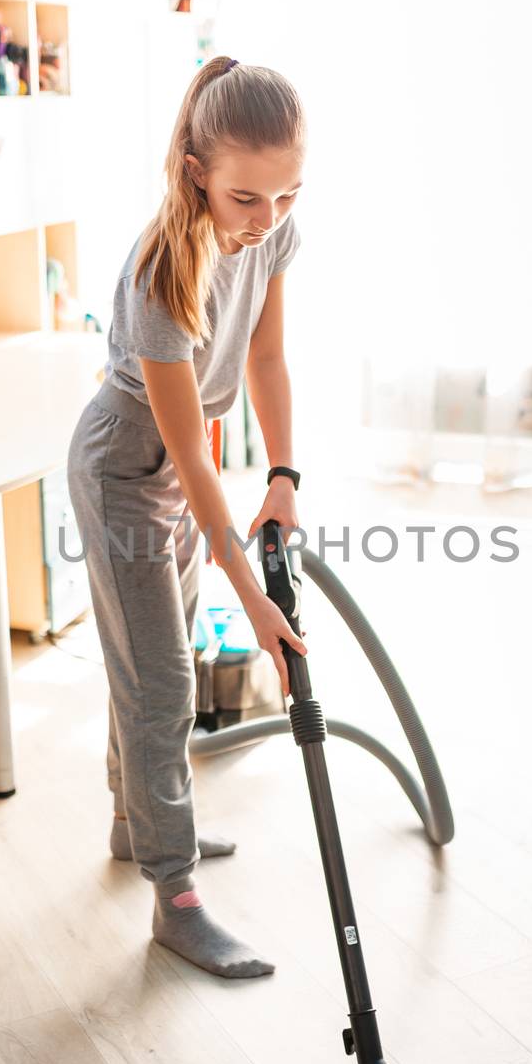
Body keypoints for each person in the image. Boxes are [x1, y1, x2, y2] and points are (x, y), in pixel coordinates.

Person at [67, 54, 308, 979]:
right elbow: (185, 460)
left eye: (287, 195)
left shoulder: (270, 232)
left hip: (180, 463)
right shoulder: (162, 273)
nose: (267, 221)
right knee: (162, 681)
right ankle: (176, 899)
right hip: (125, 467)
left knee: (148, 667)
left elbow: (268, 358)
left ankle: (136, 826)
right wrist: (254, 603)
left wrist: (283, 474)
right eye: (247, 198)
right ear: (196, 168)